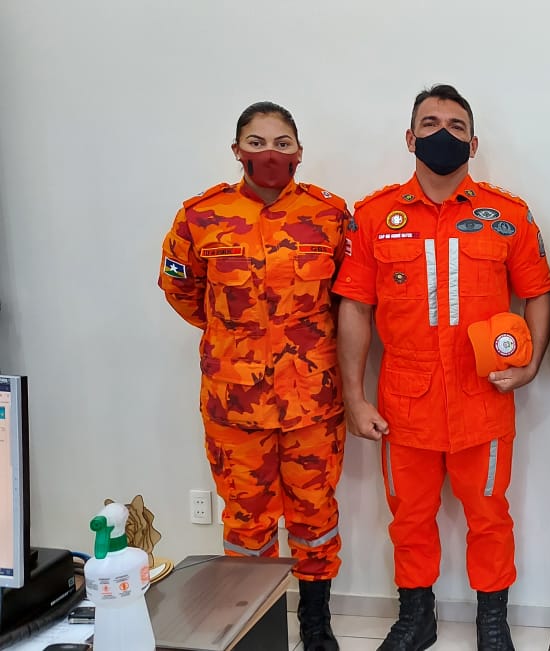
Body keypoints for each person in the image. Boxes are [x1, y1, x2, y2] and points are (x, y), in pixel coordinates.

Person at [332, 84, 550, 651]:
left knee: (489, 515)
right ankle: (416, 618)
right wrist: (354, 397)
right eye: (430, 124)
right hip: (404, 400)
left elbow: (538, 291)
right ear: (410, 138)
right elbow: (354, 308)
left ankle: (492, 622)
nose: (443, 135)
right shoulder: (374, 216)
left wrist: (530, 365)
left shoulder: (507, 215)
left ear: (473, 143)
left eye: (456, 126)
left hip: (484, 396)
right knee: (409, 516)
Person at [158, 101, 348, 651]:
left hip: (312, 401)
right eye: (257, 142)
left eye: (282, 143)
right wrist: (235, 339)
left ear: (299, 152)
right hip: (234, 405)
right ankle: (255, 629)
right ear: (237, 150)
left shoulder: (330, 215)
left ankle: (316, 622)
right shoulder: (200, 216)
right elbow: (182, 290)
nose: (270, 153)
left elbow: (350, 298)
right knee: (246, 525)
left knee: (316, 516)